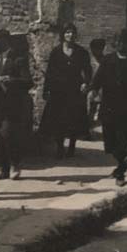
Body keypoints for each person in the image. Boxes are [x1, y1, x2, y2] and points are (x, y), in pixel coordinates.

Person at [90, 29, 127, 185]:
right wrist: (92, 89)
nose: (120, 45)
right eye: (118, 42)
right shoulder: (108, 60)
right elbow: (98, 79)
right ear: (114, 44)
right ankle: (126, 161)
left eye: (123, 42)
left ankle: (120, 172)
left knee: (123, 140)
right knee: (110, 141)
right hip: (109, 106)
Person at [40, 22, 92, 158]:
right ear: (63, 35)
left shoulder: (82, 52)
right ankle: (60, 147)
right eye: (68, 32)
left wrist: (86, 83)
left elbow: (88, 71)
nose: (70, 35)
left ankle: (72, 146)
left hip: (75, 90)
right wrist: (47, 89)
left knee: (74, 120)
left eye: (73, 32)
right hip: (59, 91)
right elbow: (50, 72)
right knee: (59, 120)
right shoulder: (56, 52)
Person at [0, 29, 32, 180]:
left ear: (4, 41)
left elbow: (28, 82)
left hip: (13, 103)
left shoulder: (18, 59)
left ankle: (15, 165)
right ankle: (3, 169)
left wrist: (11, 79)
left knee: (8, 134)